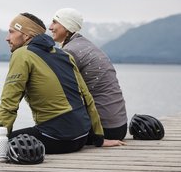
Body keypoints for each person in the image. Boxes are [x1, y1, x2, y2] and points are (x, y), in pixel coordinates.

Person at [0, 13, 124, 160]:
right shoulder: (63, 54)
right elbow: (87, 98)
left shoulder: (22, 54)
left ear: (27, 35)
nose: (7, 38)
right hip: (82, 137)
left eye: (11, 32)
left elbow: (9, 104)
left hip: (57, 138)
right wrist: (99, 138)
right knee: (1, 144)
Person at [49, 8, 128, 140]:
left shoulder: (70, 51)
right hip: (119, 126)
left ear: (67, 26)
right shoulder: (85, 45)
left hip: (103, 130)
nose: (50, 27)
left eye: (55, 22)